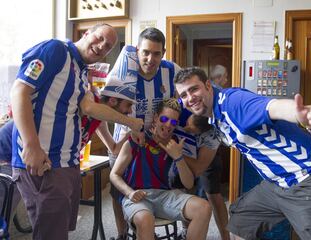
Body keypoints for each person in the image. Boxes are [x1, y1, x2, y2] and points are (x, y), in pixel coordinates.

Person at [174, 67, 311, 240]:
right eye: (184, 95)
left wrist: (303, 115)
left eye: (194, 89)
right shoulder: (214, 117)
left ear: (207, 86)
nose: (190, 98)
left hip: (306, 179)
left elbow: (273, 107)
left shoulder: (233, 102)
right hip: (276, 185)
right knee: (241, 220)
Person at [10, 23, 143, 240]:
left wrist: (131, 130)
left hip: (67, 164)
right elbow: (19, 90)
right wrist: (31, 145)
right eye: (99, 38)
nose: (102, 47)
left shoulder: (81, 74)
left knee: (58, 230)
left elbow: (112, 146)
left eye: (108, 47)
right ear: (87, 33)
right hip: (46, 161)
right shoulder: (56, 49)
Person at [106, 27, 182, 240]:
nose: (150, 58)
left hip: (158, 141)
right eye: (146, 52)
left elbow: (186, 90)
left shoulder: (171, 70)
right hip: (126, 140)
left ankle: (146, 228)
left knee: (158, 186)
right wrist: (118, 138)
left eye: (156, 53)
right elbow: (102, 107)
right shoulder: (123, 71)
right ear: (137, 50)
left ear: (163, 53)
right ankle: (122, 234)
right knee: (118, 188)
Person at [110, 98, 212, 240]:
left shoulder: (175, 144)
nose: (169, 125)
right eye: (164, 118)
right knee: (145, 220)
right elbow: (114, 174)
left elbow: (188, 184)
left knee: (204, 208)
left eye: (174, 122)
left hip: (165, 196)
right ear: (156, 118)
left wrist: (178, 157)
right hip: (138, 196)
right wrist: (130, 193)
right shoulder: (137, 139)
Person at [184, 114, 230, 240]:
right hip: (181, 147)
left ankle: (226, 237)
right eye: (187, 123)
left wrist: (178, 154)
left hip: (204, 156)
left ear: (200, 131)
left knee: (213, 195)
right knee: (181, 190)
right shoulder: (184, 109)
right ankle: (185, 230)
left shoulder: (212, 137)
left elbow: (198, 169)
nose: (186, 128)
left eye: (190, 128)